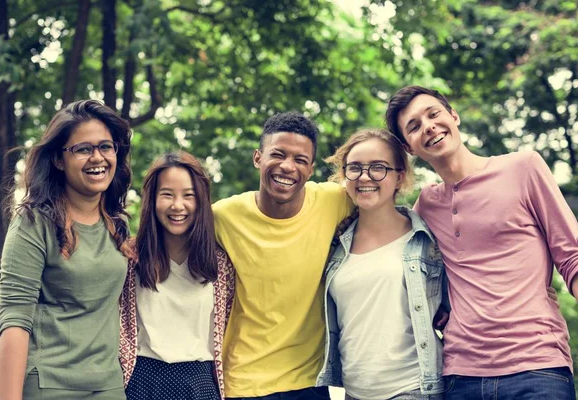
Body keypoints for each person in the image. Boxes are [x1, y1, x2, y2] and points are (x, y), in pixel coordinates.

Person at [385, 85, 578, 399]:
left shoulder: (523, 168)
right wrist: (441, 305)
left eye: (433, 114)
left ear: (454, 116)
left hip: (538, 367)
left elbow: (572, 257)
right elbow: (410, 275)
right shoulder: (426, 206)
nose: (429, 126)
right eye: (415, 126)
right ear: (409, 148)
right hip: (461, 377)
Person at [0, 100, 134, 400]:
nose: (97, 157)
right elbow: (14, 319)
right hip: (43, 383)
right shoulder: (34, 222)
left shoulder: (117, 225)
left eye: (106, 146)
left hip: (106, 384)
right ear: (59, 160)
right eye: (83, 149)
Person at [213, 111, 352, 399]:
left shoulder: (334, 201)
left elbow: (384, 206)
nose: (287, 166)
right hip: (243, 381)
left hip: (308, 383)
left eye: (300, 160)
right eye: (278, 155)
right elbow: (167, 237)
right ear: (257, 158)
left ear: (311, 169)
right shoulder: (222, 216)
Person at [316, 128, 446, 400]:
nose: (365, 177)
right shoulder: (335, 244)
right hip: (352, 393)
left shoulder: (426, 240)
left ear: (399, 177)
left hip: (412, 389)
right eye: (355, 168)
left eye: (378, 168)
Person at [119, 152, 235, 400]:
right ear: (152, 199)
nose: (177, 205)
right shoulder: (130, 258)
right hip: (142, 382)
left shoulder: (221, 265)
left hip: (201, 384)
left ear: (201, 201)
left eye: (188, 195)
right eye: (167, 194)